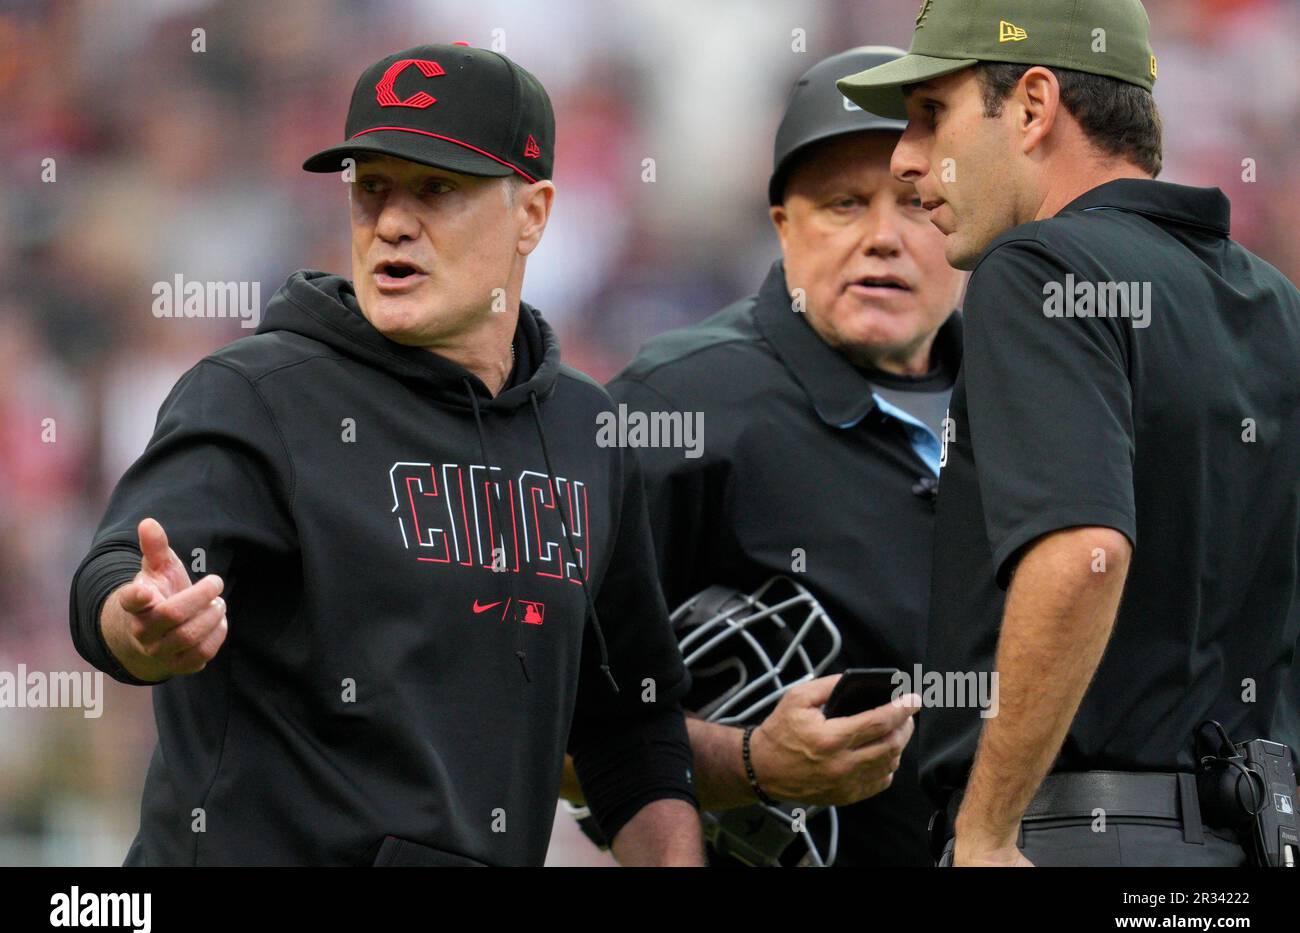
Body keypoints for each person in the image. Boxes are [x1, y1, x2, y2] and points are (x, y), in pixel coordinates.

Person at [68, 42, 704, 866]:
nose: (394, 222)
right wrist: (138, 625)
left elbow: (631, 731)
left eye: (437, 189)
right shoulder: (260, 393)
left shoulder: (586, 431)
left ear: (533, 214)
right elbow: (117, 576)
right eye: (372, 189)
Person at [839, 0, 1300, 865]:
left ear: (1034, 105)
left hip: (1077, 840)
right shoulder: (1277, 306)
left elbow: (1084, 551)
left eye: (931, 113)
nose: (905, 159)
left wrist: (985, 834)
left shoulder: (1040, 265)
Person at [566, 47, 965, 866]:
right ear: (783, 226)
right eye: (843, 205)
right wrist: (749, 765)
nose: (882, 238)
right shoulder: (675, 410)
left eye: (916, 202)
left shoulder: (1040, 404)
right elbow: (544, 724)